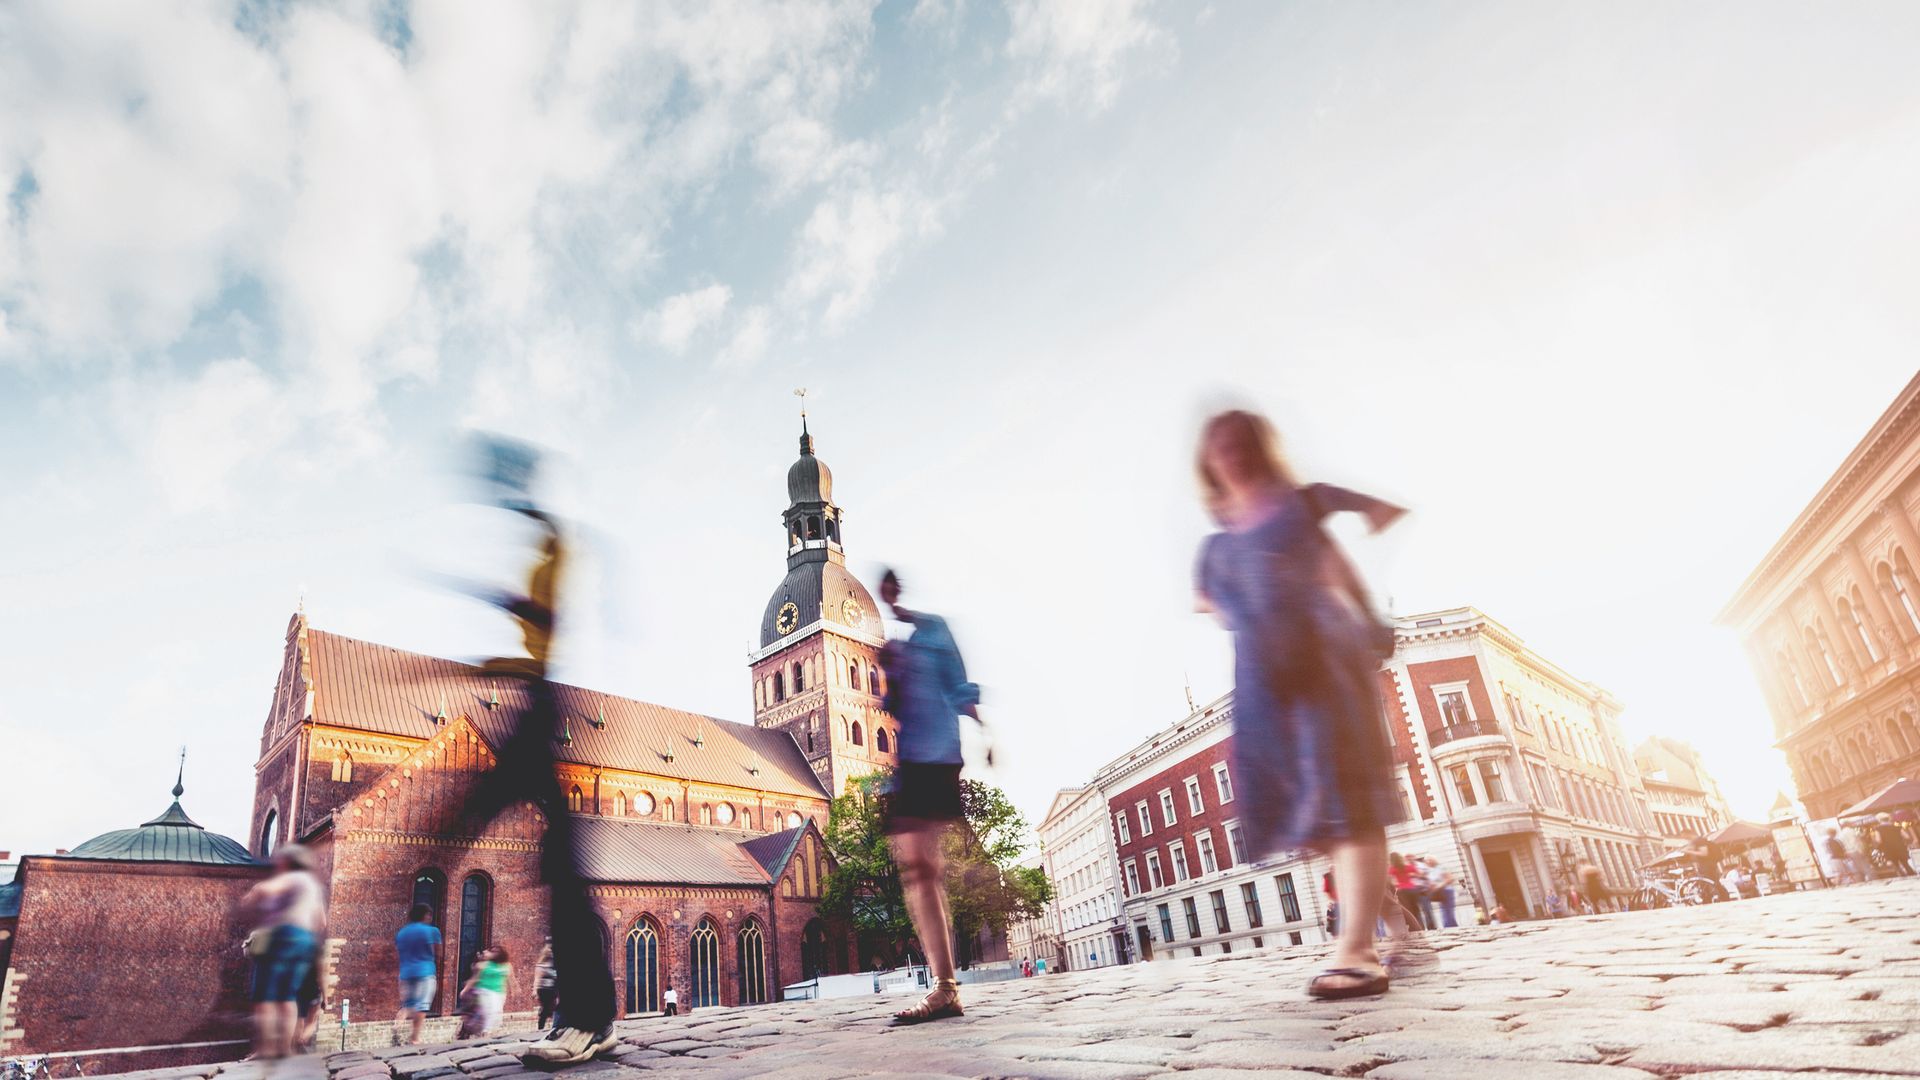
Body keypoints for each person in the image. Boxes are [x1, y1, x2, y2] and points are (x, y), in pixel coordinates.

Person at [1194, 409, 1415, 1000]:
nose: (1232, 453)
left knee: (1345, 796)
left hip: (1325, 661)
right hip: (1266, 679)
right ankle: (1388, 918)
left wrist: (1369, 620)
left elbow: (1339, 565)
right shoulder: (1215, 544)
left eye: (1242, 442)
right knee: (1313, 815)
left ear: (1262, 448)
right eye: (1221, 445)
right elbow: (1207, 602)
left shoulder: (1300, 507)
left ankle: (1358, 951)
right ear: (1208, 461)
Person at [455, 441, 618, 1065]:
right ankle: (591, 1019)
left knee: (565, 876)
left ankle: (588, 1020)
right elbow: (532, 629)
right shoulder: (546, 547)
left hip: (542, 704)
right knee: (561, 872)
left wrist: (494, 601)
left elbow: (538, 614)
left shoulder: (552, 547)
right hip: (534, 699)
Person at [876, 568, 980, 1024]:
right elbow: (894, 710)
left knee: (922, 871)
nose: (892, 601)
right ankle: (945, 986)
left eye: (894, 593)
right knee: (918, 869)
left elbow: (960, 687)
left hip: (935, 758)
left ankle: (944, 987)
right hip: (913, 765)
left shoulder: (935, 629)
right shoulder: (901, 648)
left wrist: (985, 729)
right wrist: (891, 673)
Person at [242, 844, 327, 1060]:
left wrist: (253, 894)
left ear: (288, 862)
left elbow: (265, 890)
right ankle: (285, 1049)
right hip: (305, 941)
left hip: (283, 936)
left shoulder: (293, 877)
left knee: (265, 996)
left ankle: (267, 1049)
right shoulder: (313, 886)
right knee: (287, 996)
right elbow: (322, 922)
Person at [394, 903, 442, 1046]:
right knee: (422, 1006)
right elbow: (439, 952)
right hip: (425, 972)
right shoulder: (432, 931)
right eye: (429, 915)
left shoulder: (402, 933)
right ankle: (415, 1038)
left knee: (409, 1004)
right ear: (425, 915)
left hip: (406, 973)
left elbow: (400, 952)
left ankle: (401, 1018)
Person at [462, 946, 512, 1037]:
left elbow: (510, 978)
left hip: (500, 992)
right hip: (484, 991)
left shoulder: (506, 965)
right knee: (488, 1011)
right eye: (491, 951)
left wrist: (514, 989)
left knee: (497, 1012)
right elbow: (474, 979)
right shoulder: (483, 965)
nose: (492, 953)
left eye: (495, 952)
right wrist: (465, 990)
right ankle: (485, 1031)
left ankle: (480, 1030)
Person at [1388, 853, 1427, 929]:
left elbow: (1391, 881)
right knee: (1417, 910)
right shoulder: (1408, 866)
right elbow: (1420, 875)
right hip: (1412, 889)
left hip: (1402, 891)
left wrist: (1397, 884)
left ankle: (1414, 928)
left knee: (1408, 910)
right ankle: (1421, 927)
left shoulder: (1392, 869)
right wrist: (1412, 875)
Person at [1420, 857, 1458, 928]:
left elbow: (1450, 879)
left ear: (1434, 860)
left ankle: (1449, 928)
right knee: (1444, 911)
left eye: (1429, 860)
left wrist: (1439, 886)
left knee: (1448, 911)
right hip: (1439, 893)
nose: (1427, 862)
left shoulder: (1441, 868)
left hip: (1447, 890)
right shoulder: (1430, 871)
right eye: (1426, 861)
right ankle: (1451, 927)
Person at [534, 940, 558, 1028]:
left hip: (552, 989)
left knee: (550, 1007)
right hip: (544, 989)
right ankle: (542, 1025)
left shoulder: (554, 964)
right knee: (548, 1007)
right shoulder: (541, 965)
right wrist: (535, 990)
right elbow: (537, 978)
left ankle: (548, 1023)